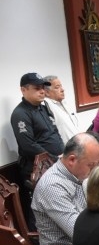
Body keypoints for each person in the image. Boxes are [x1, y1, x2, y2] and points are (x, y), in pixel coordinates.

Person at [31, 132, 99, 245]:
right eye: (91, 165)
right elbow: (81, 233)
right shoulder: (52, 186)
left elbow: (98, 205)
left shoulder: (78, 174)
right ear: (72, 160)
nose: (94, 170)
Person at [11, 72, 65, 218]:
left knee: (58, 205)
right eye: (37, 88)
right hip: (38, 169)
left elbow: (54, 132)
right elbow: (28, 145)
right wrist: (55, 159)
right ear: (23, 90)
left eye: (42, 87)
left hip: (56, 164)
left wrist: (63, 153)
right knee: (41, 210)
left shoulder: (43, 108)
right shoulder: (20, 113)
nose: (42, 91)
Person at [43, 75, 81, 144]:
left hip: (78, 143)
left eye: (61, 86)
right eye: (57, 87)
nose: (62, 90)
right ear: (47, 92)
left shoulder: (64, 103)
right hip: (65, 146)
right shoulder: (46, 105)